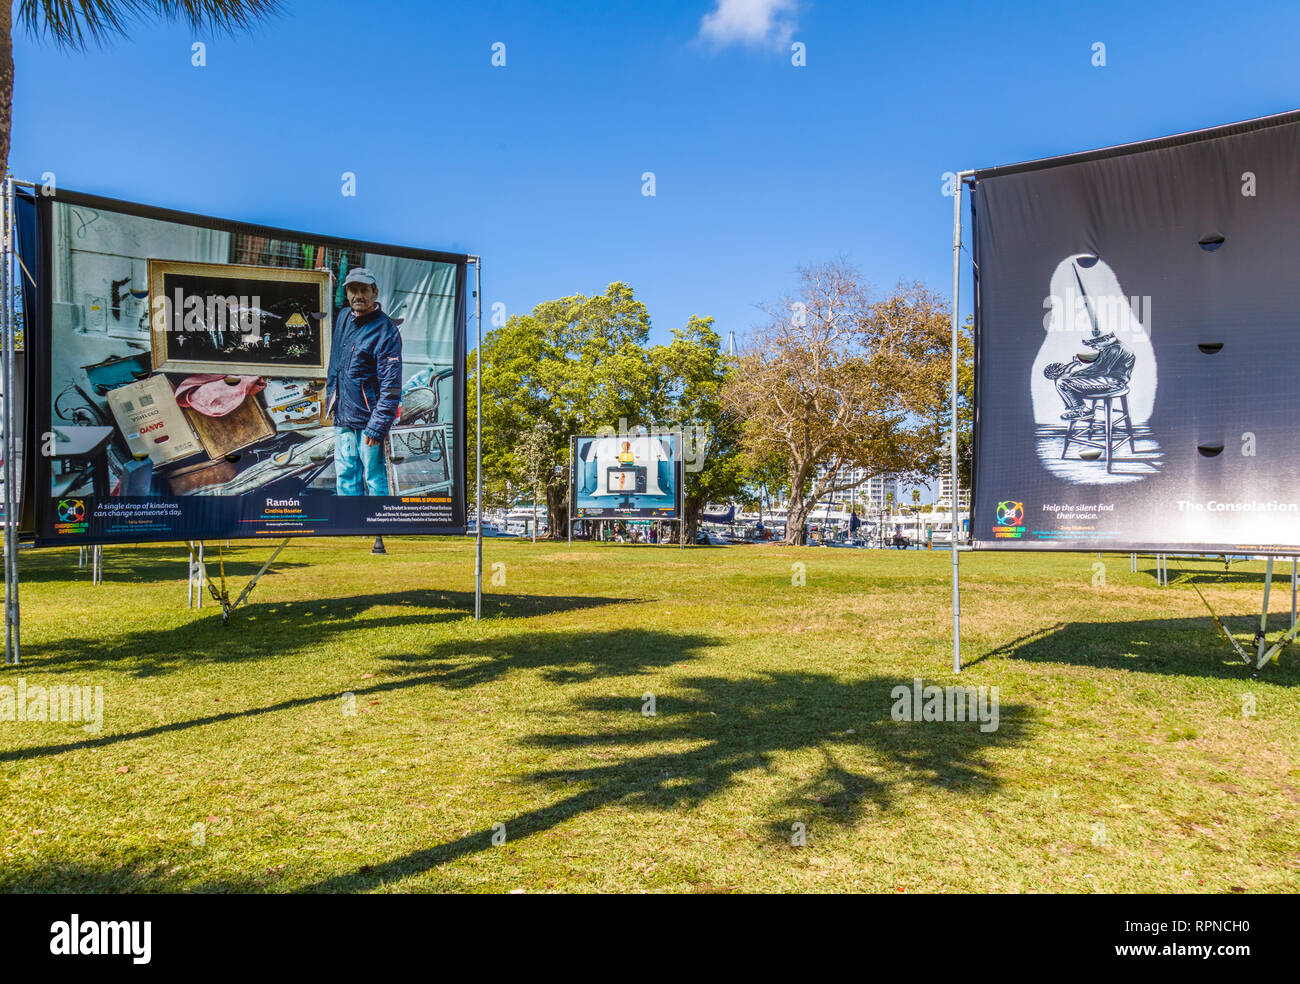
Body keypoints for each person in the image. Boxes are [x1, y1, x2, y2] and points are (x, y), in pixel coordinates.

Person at [326, 267, 402, 496]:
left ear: (374, 292)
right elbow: (335, 363)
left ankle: (377, 528)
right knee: (346, 476)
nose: (358, 295)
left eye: (363, 290)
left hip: (369, 422)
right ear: (347, 293)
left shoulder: (386, 331)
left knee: (374, 477)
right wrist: (332, 399)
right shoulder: (343, 318)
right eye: (352, 290)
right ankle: (351, 527)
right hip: (343, 417)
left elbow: (391, 386)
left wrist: (377, 427)